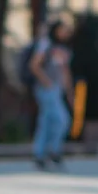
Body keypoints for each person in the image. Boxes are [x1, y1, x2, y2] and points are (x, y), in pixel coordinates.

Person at [29, 20, 73, 170]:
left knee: (47, 122)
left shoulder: (63, 48)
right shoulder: (46, 44)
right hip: (47, 90)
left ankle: (41, 154)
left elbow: (65, 71)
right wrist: (47, 82)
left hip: (58, 90)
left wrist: (69, 92)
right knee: (61, 120)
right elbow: (34, 65)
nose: (66, 33)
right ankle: (52, 151)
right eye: (63, 29)